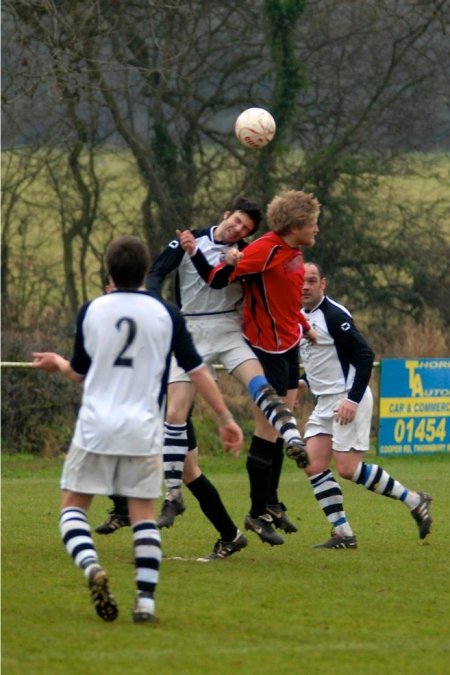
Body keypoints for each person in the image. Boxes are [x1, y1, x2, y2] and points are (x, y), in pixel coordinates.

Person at [32, 235, 244, 624]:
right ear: (147, 272)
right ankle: (145, 602)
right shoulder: (166, 314)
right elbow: (196, 369)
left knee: (73, 510)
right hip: (145, 430)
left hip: (96, 426)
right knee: (144, 518)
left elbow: (79, 373)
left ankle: (92, 565)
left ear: (109, 272)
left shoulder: (92, 310)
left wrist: (59, 362)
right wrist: (225, 418)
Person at [181, 190, 320, 545]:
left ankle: (269, 502)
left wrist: (304, 326)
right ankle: (257, 512)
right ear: (295, 226)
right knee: (268, 432)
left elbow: (286, 296)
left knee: (281, 428)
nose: (317, 228)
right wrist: (227, 258)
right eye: (313, 223)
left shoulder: (294, 250)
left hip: (289, 346)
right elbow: (218, 277)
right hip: (267, 349)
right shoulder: (264, 249)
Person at [293, 261, 433, 548]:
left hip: (347, 398)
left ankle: (414, 500)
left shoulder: (333, 315)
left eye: (311, 280)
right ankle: (343, 534)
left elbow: (364, 355)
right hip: (325, 402)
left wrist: (351, 399)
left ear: (323, 283)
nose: (305, 286)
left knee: (347, 468)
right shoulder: (299, 316)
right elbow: (324, 360)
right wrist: (303, 383)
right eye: (300, 281)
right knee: (313, 464)